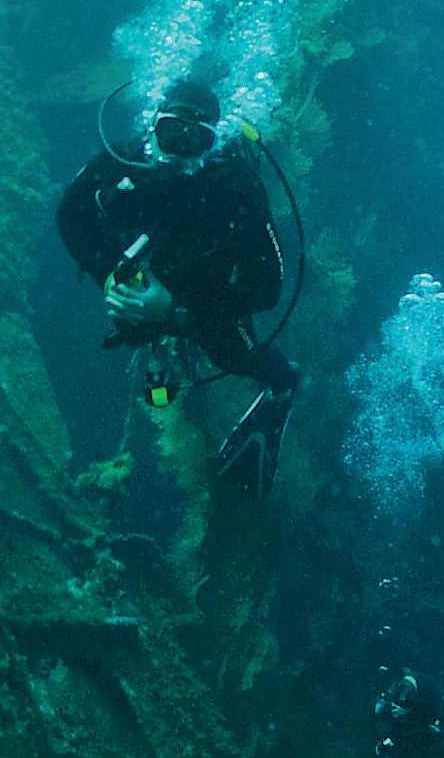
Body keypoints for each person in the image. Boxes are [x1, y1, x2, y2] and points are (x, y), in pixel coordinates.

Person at [54, 78, 300, 494]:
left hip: (206, 287)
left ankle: (283, 389)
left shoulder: (234, 186)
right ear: (153, 126)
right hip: (147, 268)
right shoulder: (128, 159)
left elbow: (267, 289)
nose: (180, 150)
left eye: (196, 140)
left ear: (212, 143)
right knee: (136, 341)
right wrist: (111, 275)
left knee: (234, 355)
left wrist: (176, 310)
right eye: (171, 132)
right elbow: (71, 214)